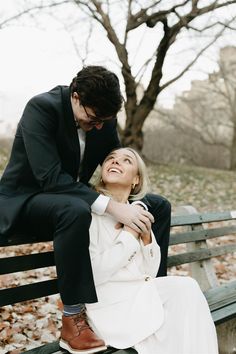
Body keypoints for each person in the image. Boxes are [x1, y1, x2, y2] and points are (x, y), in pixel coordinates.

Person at [0, 66, 170, 354]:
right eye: (94, 119)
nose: (100, 126)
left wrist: (132, 203)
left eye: (106, 120)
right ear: (75, 97)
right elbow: (50, 178)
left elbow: (114, 163)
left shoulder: (102, 118)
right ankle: (73, 318)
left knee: (158, 205)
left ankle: (154, 288)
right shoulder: (42, 108)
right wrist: (113, 209)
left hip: (71, 202)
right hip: (27, 201)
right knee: (75, 209)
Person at [80, 147, 219, 354]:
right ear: (102, 173)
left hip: (138, 295)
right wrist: (128, 235)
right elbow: (94, 275)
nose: (115, 162)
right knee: (181, 310)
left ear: (136, 180)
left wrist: (146, 239)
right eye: (111, 159)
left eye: (126, 160)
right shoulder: (89, 214)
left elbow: (150, 273)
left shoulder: (138, 214)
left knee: (187, 289)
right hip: (111, 306)